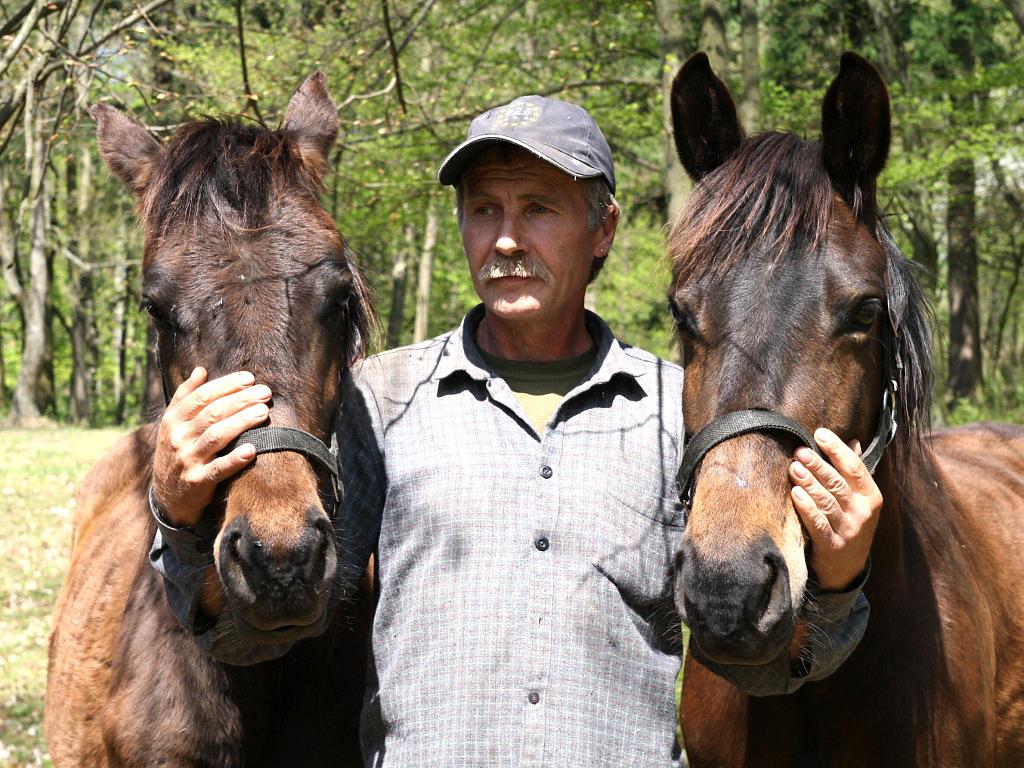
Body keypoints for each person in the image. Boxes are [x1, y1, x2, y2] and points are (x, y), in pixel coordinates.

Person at [149, 95, 880, 766]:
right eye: (483, 210)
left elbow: (755, 664)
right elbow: (264, 632)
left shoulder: (678, 411)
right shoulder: (381, 400)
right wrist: (181, 521)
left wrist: (839, 580)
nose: (505, 240)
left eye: (539, 210)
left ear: (604, 230)